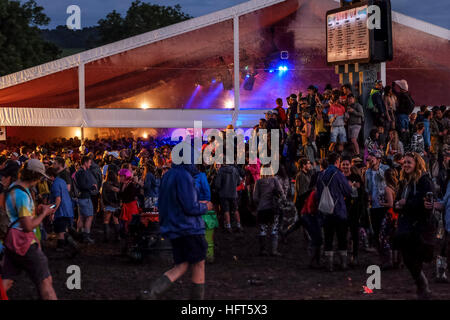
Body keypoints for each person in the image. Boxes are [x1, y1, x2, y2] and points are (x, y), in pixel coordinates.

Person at [140, 148, 212, 300]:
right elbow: (189, 206)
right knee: (199, 263)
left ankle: (151, 293)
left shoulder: (168, 176)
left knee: (182, 264)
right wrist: (205, 206)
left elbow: (168, 203)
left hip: (174, 228)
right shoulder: (185, 176)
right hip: (189, 228)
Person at [1, 159, 57, 300]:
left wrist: (36, 211)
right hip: (24, 243)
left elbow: (17, 215)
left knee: (5, 282)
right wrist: (44, 214)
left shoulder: (14, 187)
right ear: (36, 176)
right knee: (46, 282)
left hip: (11, 243)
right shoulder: (21, 194)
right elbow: (27, 226)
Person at [395, 152, 435, 299]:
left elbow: (425, 203)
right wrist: (397, 205)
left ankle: (423, 287)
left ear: (416, 164)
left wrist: (406, 204)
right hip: (405, 226)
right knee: (408, 258)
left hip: (419, 227)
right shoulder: (404, 181)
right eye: (404, 162)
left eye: (409, 162)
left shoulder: (424, 181)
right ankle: (422, 285)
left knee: (415, 258)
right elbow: (398, 200)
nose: (406, 165)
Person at [316, 153, 352, 271]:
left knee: (328, 238)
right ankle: (343, 263)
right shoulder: (338, 174)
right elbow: (347, 191)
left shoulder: (321, 175)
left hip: (326, 211)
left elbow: (318, 193)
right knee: (342, 237)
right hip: (339, 210)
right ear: (337, 161)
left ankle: (329, 265)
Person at [253, 165, 285, 257]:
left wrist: (260, 203)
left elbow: (255, 198)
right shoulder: (274, 180)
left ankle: (263, 250)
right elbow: (281, 193)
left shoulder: (258, 182)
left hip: (262, 208)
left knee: (263, 229)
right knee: (274, 229)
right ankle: (274, 250)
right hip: (273, 208)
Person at [46, 167, 77, 254]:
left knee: (60, 231)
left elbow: (58, 199)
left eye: (47, 176)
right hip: (68, 208)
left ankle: (62, 247)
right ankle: (72, 243)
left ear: (51, 176)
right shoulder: (62, 181)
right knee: (63, 229)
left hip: (61, 210)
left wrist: (52, 211)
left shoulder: (55, 184)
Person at [365, 150, 390, 252]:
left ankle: (385, 246)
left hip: (385, 203)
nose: (370, 160)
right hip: (374, 203)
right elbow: (367, 187)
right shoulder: (367, 172)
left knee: (385, 226)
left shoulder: (386, 169)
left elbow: (390, 183)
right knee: (375, 226)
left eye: (372, 158)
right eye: (369, 158)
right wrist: (368, 195)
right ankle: (377, 246)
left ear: (378, 159)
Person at [214, 162, 242, 233]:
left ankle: (228, 227)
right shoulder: (235, 170)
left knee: (226, 211)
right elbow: (239, 182)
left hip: (223, 194)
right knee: (235, 209)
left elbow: (217, 184)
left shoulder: (220, 170)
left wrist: (218, 189)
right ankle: (239, 225)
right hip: (233, 193)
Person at [74, 155, 97, 244]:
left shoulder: (80, 172)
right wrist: (92, 187)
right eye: (89, 162)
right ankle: (86, 237)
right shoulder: (82, 172)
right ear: (85, 162)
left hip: (81, 197)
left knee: (81, 217)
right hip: (85, 197)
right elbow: (83, 185)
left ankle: (79, 234)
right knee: (89, 217)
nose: (90, 165)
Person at [101, 170, 121, 242]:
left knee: (106, 221)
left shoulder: (105, 184)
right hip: (116, 205)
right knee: (116, 221)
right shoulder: (118, 184)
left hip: (108, 204)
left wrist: (104, 204)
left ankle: (106, 238)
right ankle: (117, 237)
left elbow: (103, 195)